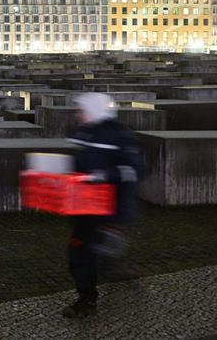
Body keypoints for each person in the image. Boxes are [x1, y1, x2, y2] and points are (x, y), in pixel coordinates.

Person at [61, 92, 141, 318]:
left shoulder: (117, 134)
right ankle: (108, 268)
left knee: (81, 254)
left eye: (81, 110)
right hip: (86, 206)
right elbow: (78, 164)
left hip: (106, 207)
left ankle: (87, 300)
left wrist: (101, 175)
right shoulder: (85, 132)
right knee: (84, 252)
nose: (78, 114)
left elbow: (133, 169)